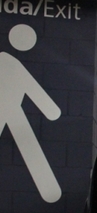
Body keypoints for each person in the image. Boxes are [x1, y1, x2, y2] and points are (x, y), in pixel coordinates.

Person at [0, 24, 61, 203]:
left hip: (12, 112)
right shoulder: (10, 62)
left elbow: (32, 89)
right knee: (30, 148)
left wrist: (49, 109)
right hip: (12, 112)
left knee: (29, 146)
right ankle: (48, 190)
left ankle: (49, 189)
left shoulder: (9, 62)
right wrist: (50, 110)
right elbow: (35, 91)